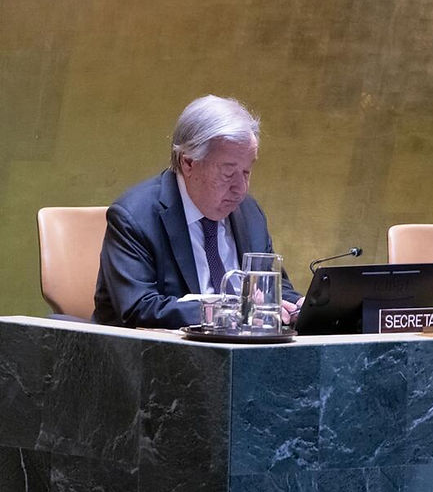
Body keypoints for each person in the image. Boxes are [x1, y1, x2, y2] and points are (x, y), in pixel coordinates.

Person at [93, 95, 303, 328]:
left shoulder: (249, 212)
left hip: (243, 347)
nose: (241, 188)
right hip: (159, 348)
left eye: (246, 172)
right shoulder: (135, 217)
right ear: (189, 163)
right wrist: (229, 311)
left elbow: (273, 288)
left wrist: (300, 305)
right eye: (228, 173)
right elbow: (139, 308)